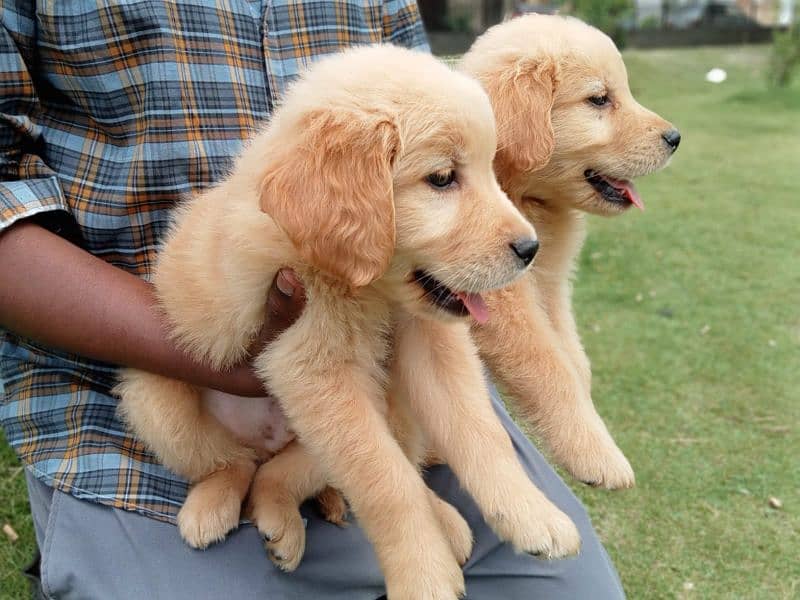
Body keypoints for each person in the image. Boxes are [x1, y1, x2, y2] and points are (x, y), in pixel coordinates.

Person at [0, 1, 625, 598]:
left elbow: (439, 126)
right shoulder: (311, 200)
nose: (517, 228)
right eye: (443, 180)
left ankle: (338, 487)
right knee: (179, 417)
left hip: (381, 389)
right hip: (137, 381)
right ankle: (235, 474)